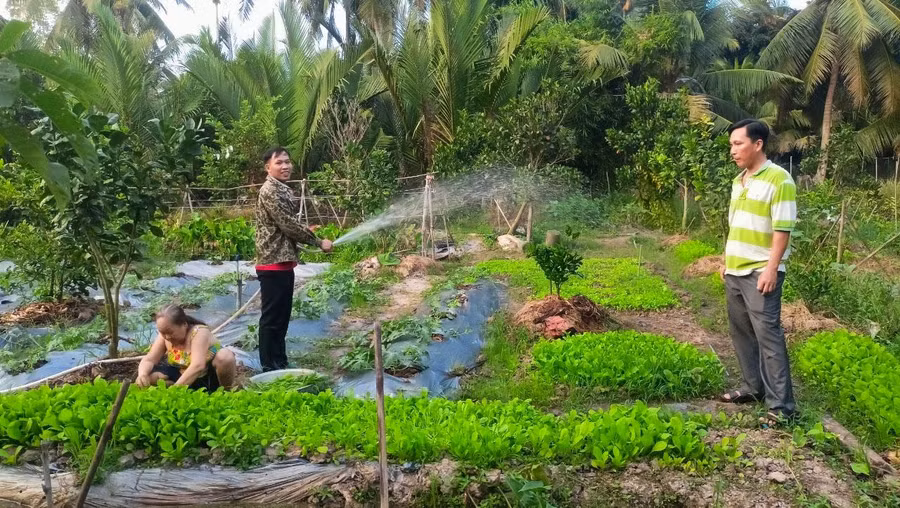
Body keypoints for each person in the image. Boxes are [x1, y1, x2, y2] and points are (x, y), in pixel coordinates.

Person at [718, 119, 797, 427]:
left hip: (759, 272)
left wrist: (771, 269)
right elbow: (734, 224)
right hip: (735, 270)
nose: (732, 150)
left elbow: (782, 229)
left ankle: (782, 408)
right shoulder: (740, 181)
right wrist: (725, 259)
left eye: (738, 144)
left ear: (758, 144)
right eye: (731, 145)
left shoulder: (780, 180)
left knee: (768, 337)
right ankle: (753, 388)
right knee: (742, 334)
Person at [255, 146, 333, 371]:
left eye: (287, 161)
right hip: (273, 262)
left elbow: (287, 224)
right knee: (272, 319)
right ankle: (270, 366)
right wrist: (318, 241)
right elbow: (288, 224)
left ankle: (280, 361)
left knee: (281, 318)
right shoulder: (271, 190)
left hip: (282, 262)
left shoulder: (281, 189)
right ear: (267, 167)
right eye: (279, 162)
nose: (285, 166)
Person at [136, 304, 236, 390]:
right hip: (181, 374)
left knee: (225, 356)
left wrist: (175, 391)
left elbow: (198, 366)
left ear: (184, 324)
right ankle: (183, 390)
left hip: (206, 377)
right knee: (147, 378)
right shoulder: (165, 337)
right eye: (162, 333)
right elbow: (149, 359)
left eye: (170, 332)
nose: (167, 337)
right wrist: (142, 374)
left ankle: (224, 392)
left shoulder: (199, 333)